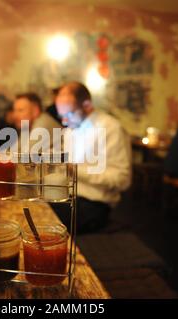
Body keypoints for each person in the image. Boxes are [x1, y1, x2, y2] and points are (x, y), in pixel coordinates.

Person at [54, 82, 131, 233]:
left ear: (87, 105)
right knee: (34, 205)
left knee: (47, 221)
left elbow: (122, 180)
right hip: (69, 196)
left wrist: (74, 170)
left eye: (69, 114)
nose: (64, 122)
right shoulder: (70, 129)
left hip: (94, 204)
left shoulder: (111, 128)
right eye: (61, 116)